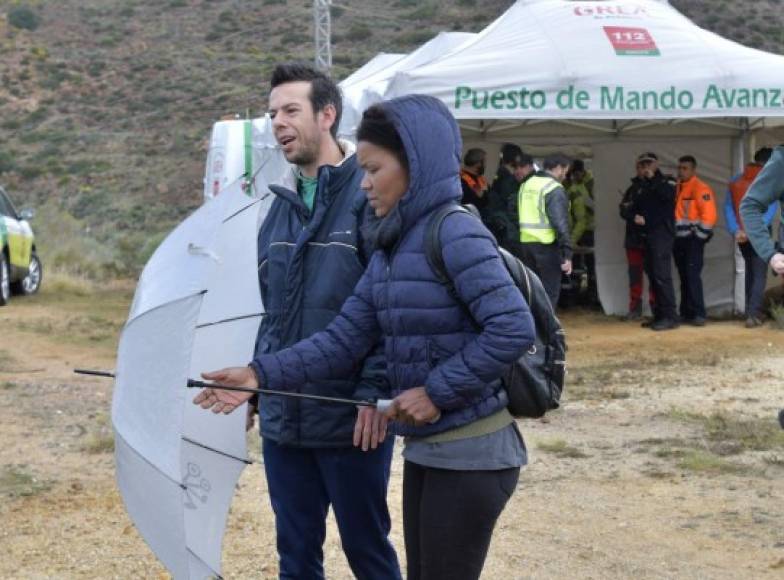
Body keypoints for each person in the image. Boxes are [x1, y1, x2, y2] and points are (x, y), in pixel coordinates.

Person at [194, 95, 536, 580]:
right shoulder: (391, 247)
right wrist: (257, 374)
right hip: (428, 448)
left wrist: (437, 390)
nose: (365, 182)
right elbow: (342, 340)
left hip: (473, 453)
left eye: (374, 169)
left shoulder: (456, 232)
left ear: (414, 165)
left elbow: (513, 327)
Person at [246, 63, 400, 580]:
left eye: (291, 110)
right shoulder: (278, 211)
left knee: (368, 553)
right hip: (285, 418)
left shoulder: (368, 199)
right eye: (272, 113)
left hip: (350, 418)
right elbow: (274, 312)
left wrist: (376, 392)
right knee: (295, 556)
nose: (278, 123)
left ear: (327, 115)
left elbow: (388, 308)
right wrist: (256, 382)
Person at [725, 147, 775, 327]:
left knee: (750, 271)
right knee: (759, 273)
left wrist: (736, 230)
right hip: (759, 232)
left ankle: (749, 310)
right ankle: (754, 314)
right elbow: (771, 209)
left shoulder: (735, 180)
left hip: (740, 234)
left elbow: (729, 208)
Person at [517, 153, 573, 306]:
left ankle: (533, 327)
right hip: (546, 246)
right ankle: (546, 329)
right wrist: (567, 253)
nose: (565, 175)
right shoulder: (553, 188)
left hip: (526, 244)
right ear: (558, 168)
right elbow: (560, 223)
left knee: (532, 292)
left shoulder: (526, 184)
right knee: (549, 292)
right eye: (565, 171)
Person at [632, 152, 679, 331]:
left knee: (662, 275)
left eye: (648, 163)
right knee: (652, 275)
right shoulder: (640, 185)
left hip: (662, 234)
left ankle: (670, 316)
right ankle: (659, 314)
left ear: (656, 164)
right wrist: (634, 216)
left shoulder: (667, 181)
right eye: (642, 164)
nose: (645, 167)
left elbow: (669, 196)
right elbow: (632, 206)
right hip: (647, 235)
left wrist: (654, 179)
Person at [674, 155, 718, 326]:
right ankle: (686, 312)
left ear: (693, 170)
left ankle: (699, 313)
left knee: (692, 276)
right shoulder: (678, 187)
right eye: (680, 168)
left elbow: (710, 216)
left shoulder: (700, 188)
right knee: (684, 276)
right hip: (679, 240)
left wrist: (699, 237)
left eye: (685, 168)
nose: (681, 171)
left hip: (693, 240)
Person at [619, 161, 655, 319]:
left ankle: (656, 307)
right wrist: (633, 216)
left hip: (653, 238)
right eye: (640, 167)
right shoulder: (631, 189)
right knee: (634, 274)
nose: (643, 170)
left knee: (655, 274)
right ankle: (635, 308)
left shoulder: (659, 187)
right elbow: (623, 210)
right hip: (633, 238)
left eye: (646, 166)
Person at [483, 143, 534, 251]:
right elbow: (510, 209)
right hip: (509, 233)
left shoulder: (502, 175)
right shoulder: (507, 180)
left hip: (504, 230)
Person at [564, 159, 597, 303]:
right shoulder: (569, 183)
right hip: (575, 228)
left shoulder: (591, 183)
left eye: (577, 174)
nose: (575, 177)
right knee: (574, 263)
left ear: (582, 172)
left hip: (588, 228)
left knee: (591, 263)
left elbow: (595, 206)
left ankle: (592, 294)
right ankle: (573, 294)